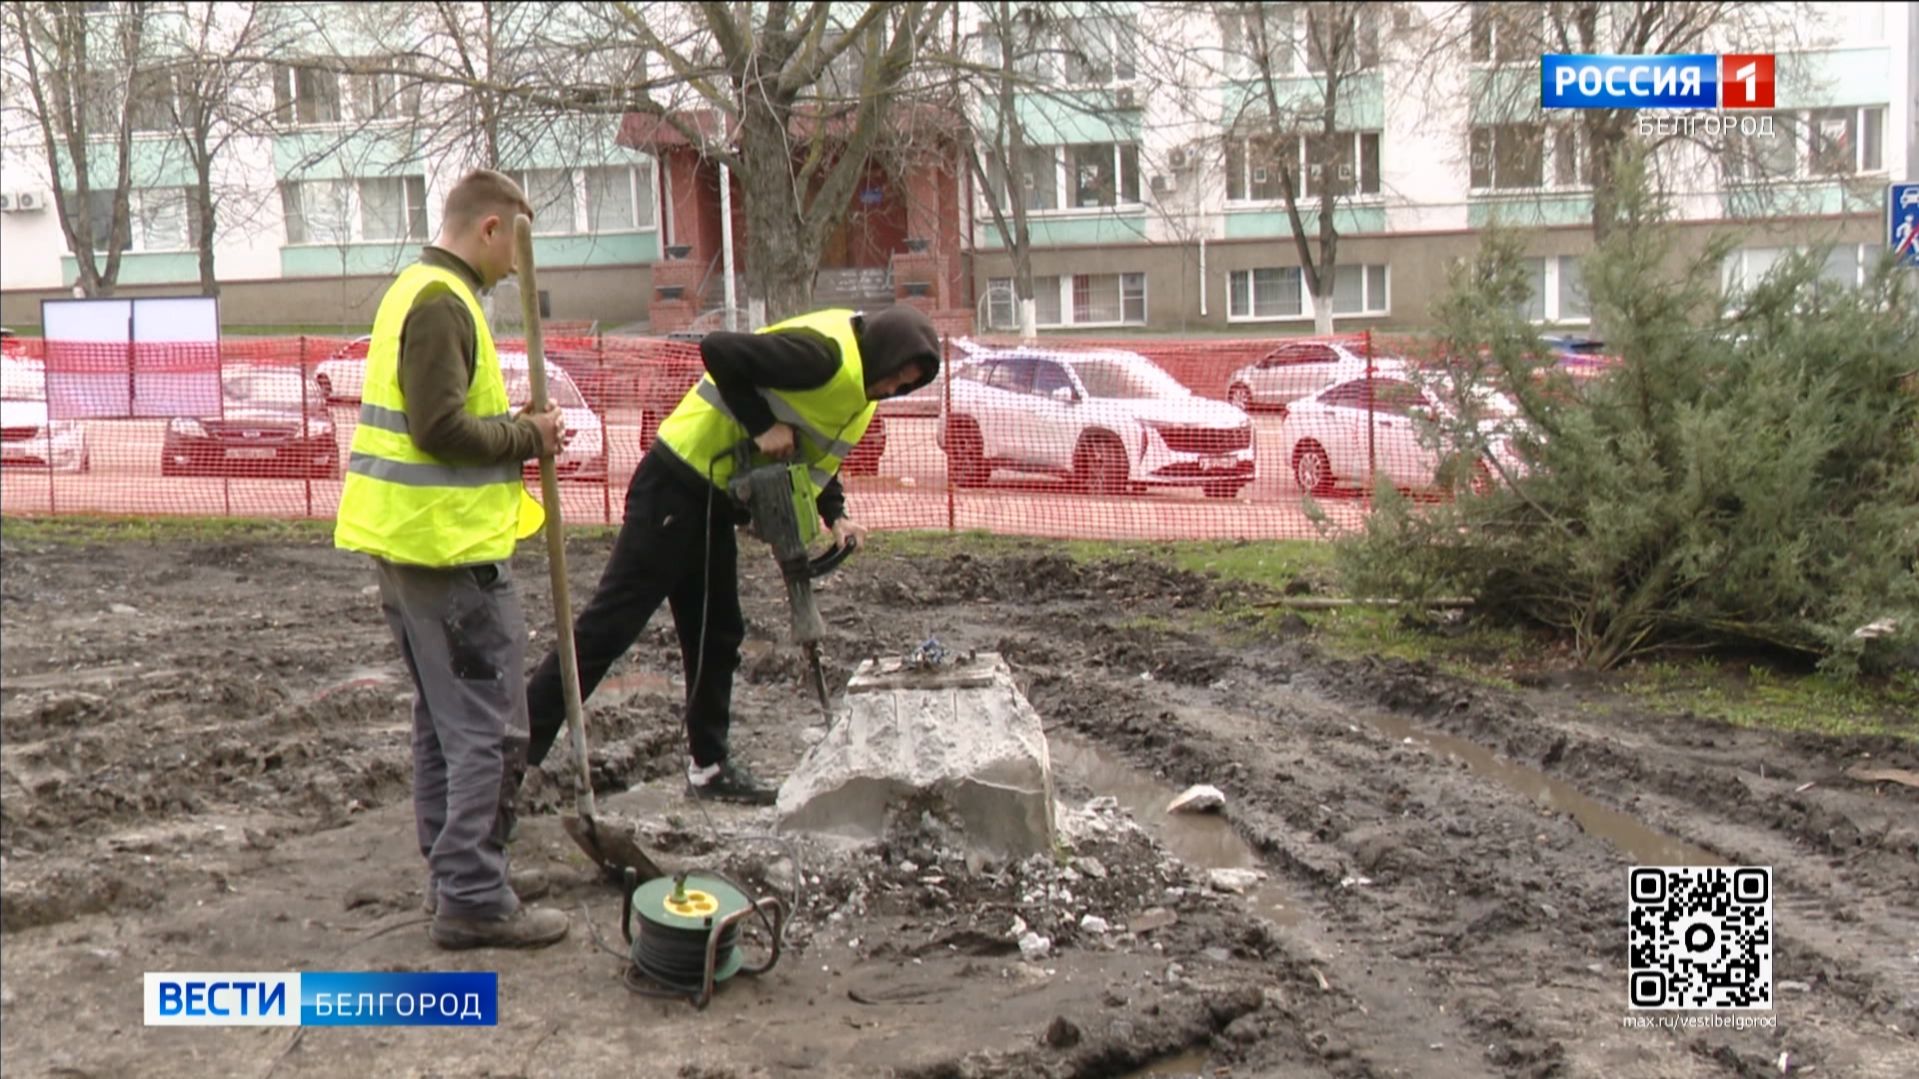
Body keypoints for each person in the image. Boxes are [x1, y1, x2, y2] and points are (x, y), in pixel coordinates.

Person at [518, 306, 940, 805]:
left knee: (719, 633)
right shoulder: (824, 356)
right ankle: (513, 755)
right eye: (894, 376)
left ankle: (709, 766)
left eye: (904, 386)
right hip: (676, 484)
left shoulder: (860, 398)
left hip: (715, 505)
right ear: (882, 353)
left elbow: (812, 455)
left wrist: (837, 515)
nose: (893, 388)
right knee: (608, 629)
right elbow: (719, 349)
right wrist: (761, 426)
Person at [334, 168, 571, 950]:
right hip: (447, 552)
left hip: (414, 544)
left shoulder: (419, 290)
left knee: (442, 723)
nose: (516, 268)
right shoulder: (441, 302)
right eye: (518, 246)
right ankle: (471, 891)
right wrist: (527, 436)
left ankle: (462, 871)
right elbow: (438, 427)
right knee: (486, 729)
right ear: (492, 229)